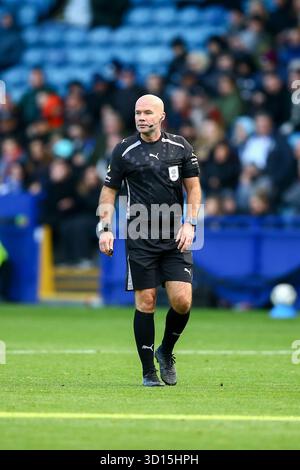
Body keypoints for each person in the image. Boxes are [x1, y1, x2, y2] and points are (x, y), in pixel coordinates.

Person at [98, 94, 201, 387]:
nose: (141, 117)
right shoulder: (124, 150)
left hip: (174, 236)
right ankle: (148, 372)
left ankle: (166, 351)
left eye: (147, 112)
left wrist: (190, 223)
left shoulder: (181, 147)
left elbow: (194, 190)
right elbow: (109, 192)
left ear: (161, 116)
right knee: (147, 301)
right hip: (139, 236)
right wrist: (105, 227)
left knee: (182, 300)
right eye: (137, 113)